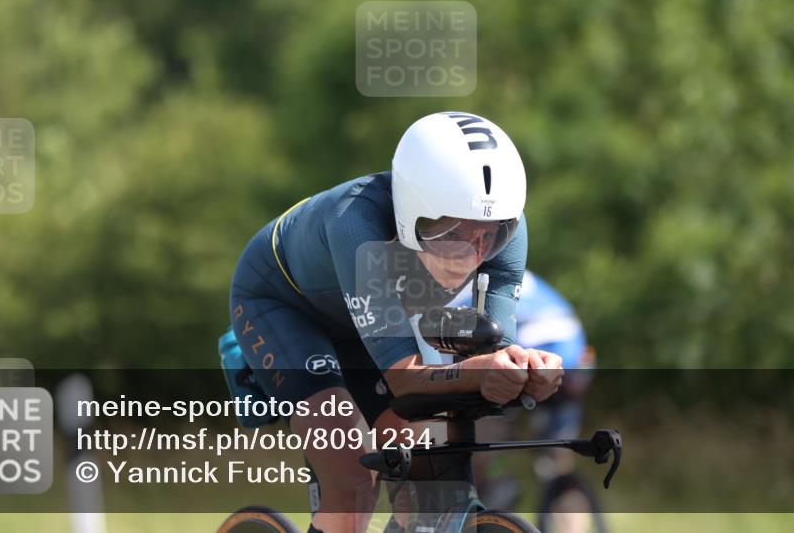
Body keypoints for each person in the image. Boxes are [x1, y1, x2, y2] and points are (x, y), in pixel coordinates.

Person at [226, 112, 564, 533]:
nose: (474, 253)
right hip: (283, 309)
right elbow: (405, 378)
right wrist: (480, 370)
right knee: (352, 479)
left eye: (489, 236)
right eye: (455, 233)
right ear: (412, 211)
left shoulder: (508, 228)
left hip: (368, 319)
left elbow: (495, 353)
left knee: (419, 467)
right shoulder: (356, 223)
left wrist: (529, 371)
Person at [449, 270, 598, 533]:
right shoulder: (513, 270)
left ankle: (495, 484)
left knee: (479, 430)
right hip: (574, 359)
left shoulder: (458, 285)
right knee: (557, 461)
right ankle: (566, 508)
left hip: (532, 358)